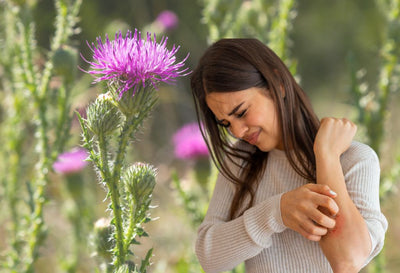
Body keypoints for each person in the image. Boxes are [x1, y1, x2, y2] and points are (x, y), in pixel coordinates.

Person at [190, 38, 388, 273]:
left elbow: (347, 261)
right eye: (225, 123)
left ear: (278, 85)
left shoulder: (355, 160)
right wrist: (276, 212)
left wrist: (326, 156)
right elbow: (209, 258)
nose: (237, 132)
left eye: (242, 112)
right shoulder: (240, 161)